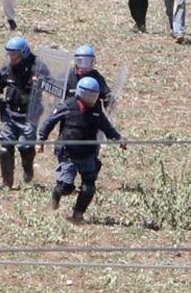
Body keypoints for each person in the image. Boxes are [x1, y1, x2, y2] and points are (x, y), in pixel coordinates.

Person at [37, 76, 125, 224]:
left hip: (88, 153)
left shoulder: (96, 111)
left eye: (94, 95)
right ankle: (56, 195)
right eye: (88, 95)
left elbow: (107, 128)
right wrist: (41, 140)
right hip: (68, 153)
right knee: (66, 186)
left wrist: (119, 139)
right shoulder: (67, 106)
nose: (91, 99)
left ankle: (78, 214)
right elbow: (49, 122)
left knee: (88, 188)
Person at [0, 36, 40, 189]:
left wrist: (39, 83)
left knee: (25, 147)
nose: (11, 57)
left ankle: (28, 169)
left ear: (23, 53)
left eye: (15, 54)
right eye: (9, 54)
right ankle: (7, 182)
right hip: (10, 113)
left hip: (29, 115)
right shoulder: (7, 68)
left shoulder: (37, 67)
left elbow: (51, 85)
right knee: (5, 149)